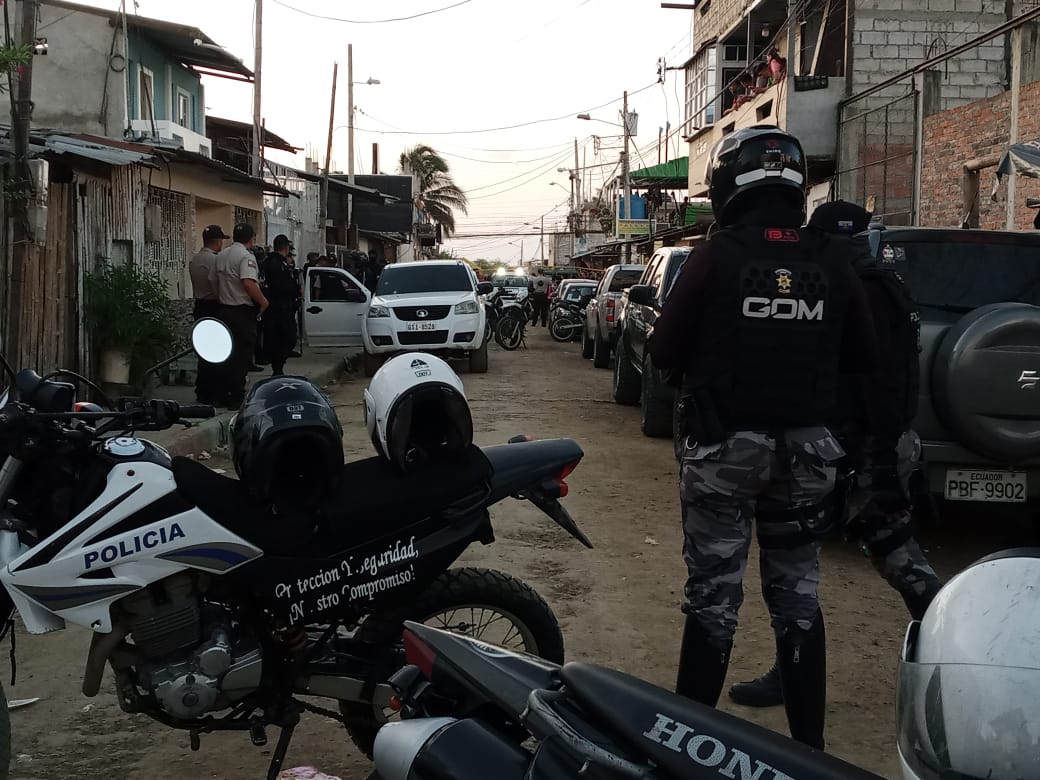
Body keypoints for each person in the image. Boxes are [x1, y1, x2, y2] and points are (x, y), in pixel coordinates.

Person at [646, 125, 879, 750]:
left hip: (725, 454)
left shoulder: (715, 254)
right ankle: (810, 754)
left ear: (729, 184)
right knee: (798, 598)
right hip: (808, 454)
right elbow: (865, 354)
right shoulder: (833, 256)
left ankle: (684, 751)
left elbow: (662, 351)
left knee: (714, 602)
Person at [728, 200, 943, 709]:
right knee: (895, 553)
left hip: (862, 442)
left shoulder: (851, 286)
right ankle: (962, 655)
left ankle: (793, 674)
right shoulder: (885, 282)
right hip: (883, 439)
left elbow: (865, 377)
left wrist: (868, 452)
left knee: (796, 564)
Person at [216, 223, 268, 408]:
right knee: (241, 355)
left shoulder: (221, 256)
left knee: (225, 355)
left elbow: (213, 282)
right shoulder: (246, 257)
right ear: (251, 239)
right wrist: (263, 302)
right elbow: (248, 283)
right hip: (241, 311)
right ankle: (237, 396)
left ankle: (223, 393)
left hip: (223, 309)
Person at [188, 224, 228, 404]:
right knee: (217, 354)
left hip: (200, 306)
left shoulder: (195, 259)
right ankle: (214, 393)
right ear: (218, 242)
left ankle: (202, 390)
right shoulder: (214, 260)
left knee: (204, 352)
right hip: (213, 306)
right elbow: (216, 284)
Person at [262, 234, 300, 376]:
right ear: (286, 247)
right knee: (286, 338)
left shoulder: (271, 261)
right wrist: (296, 290)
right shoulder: (277, 264)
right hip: (279, 307)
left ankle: (277, 367)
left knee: (279, 338)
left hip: (277, 307)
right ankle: (277, 367)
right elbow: (282, 286)